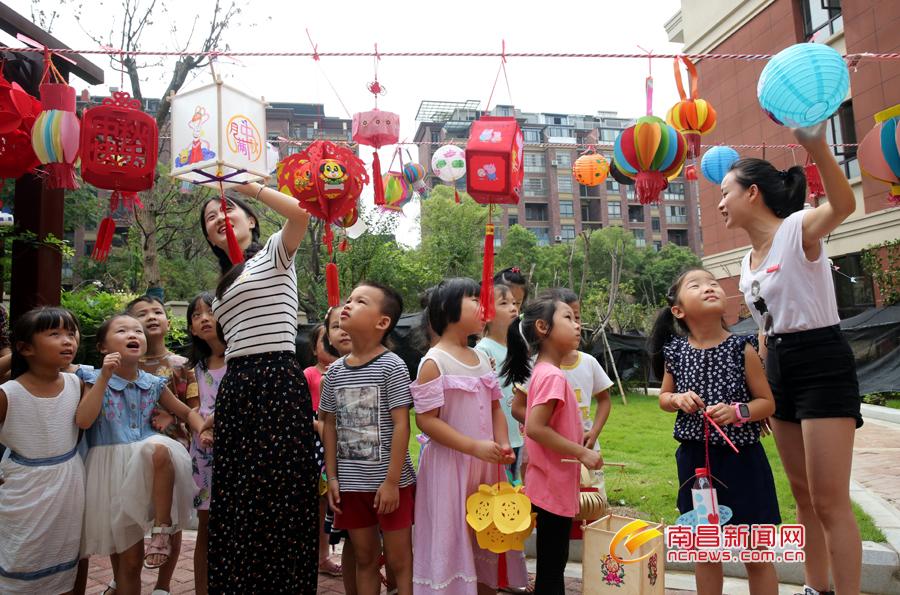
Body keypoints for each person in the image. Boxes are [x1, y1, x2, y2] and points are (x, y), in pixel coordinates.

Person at [721, 124, 860, 595]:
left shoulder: (798, 230)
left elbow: (844, 206)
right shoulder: (746, 260)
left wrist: (817, 143)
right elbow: (765, 323)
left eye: (726, 192)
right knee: (802, 494)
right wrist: (760, 381)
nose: (721, 203)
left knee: (829, 500)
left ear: (752, 193)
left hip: (821, 359)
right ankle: (814, 588)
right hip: (779, 366)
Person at [199, 183, 320, 593]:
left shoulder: (273, 253)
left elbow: (302, 213)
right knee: (237, 496)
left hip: (278, 380)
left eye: (225, 208)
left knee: (282, 492)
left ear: (250, 218)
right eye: (210, 218)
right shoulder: (222, 284)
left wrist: (248, 185)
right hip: (238, 387)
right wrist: (219, 411)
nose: (218, 217)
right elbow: (236, 344)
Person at [648, 268, 780, 595]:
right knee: (706, 551)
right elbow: (664, 398)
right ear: (678, 310)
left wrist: (739, 412)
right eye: (697, 285)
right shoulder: (675, 353)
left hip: (743, 462)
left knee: (756, 552)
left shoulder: (742, 348)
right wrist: (677, 399)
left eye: (714, 284)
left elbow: (767, 403)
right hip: (697, 466)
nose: (710, 288)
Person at [80, 314, 206, 595]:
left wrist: (203, 430)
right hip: (109, 472)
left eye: (137, 330)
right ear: (102, 347)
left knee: (161, 448)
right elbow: (84, 420)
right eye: (122, 330)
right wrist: (103, 377)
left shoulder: (152, 383)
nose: (133, 334)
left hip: (146, 469)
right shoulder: (90, 377)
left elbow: (185, 412)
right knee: (130, 562)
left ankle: (162, 530)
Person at [413, 278, 524, 594]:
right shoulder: (434, 362)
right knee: (452, 536)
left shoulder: (480, 358)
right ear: (447, 309)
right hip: (450, 469)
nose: (483, 305)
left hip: (484, 468)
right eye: (474, 299)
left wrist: (503, 443)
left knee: (484, 539)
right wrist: (473, 446)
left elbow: (495, 409)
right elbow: (426, 421)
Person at [501, 291, 602, 595]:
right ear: (543, 328)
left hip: (549, 484)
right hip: (551, 487)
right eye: (568, 318)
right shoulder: (552, 377)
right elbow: (535, 428)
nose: (577, 326)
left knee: (551, 562)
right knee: (551, 567)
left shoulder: (545, 373)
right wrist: (582, 452)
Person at [320, 281, 416, 595]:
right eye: (349, 299)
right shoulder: (334, 372)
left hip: (391, 485)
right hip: (350, 484)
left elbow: (403, 425)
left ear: (382, 322)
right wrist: (332, 477)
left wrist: (391, 482)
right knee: (364, 557)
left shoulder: (393, 366)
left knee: (400, 560)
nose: (347, 305)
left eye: (360, 301)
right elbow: (330, 426)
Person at [0, 307, 103, 594]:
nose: (67, 340)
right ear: (25, 347)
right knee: (21, 557)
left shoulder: (76, 382)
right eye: (54, 334)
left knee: (63, 556)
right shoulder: (10, 392)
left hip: (67, 483)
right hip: (23, 488)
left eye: (71, 333)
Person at [125, 295, 197, 595]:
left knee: (171, 519)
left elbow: (195, 407)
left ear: (169, 323)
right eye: (142, 314)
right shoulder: (125, 364)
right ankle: (123, 575)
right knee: (129, 514)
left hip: (173, 449)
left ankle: (163, 586)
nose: (151, 316)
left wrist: (172, 413)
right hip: (130, 450)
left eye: (157, 312)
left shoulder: (183, 365)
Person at [185, 292, 224, 595]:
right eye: (196, 315)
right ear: (192, 329)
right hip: (205, 455)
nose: (203, 318)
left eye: (210, 311)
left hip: (238, 451)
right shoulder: (193, 369)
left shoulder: (241, 361)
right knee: (206, 527)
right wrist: (204, 430)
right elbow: (193, 408)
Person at [304, 322, 344, 578]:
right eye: (323, 339)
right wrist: (320, 425)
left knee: (338, 501)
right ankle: (321, 556)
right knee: (320, 502)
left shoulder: (345, 370)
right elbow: (302, 410)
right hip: (318, 445)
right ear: (314, 347)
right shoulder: (309, 374)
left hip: (344, 443)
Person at [474, 283, 524, 479]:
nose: (513, 308)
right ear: (486, 313)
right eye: (504, 303)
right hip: (498, 438)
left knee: (517, 488)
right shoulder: (483, 350)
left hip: (519, 432)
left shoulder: (519, 347)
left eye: (514, 302)